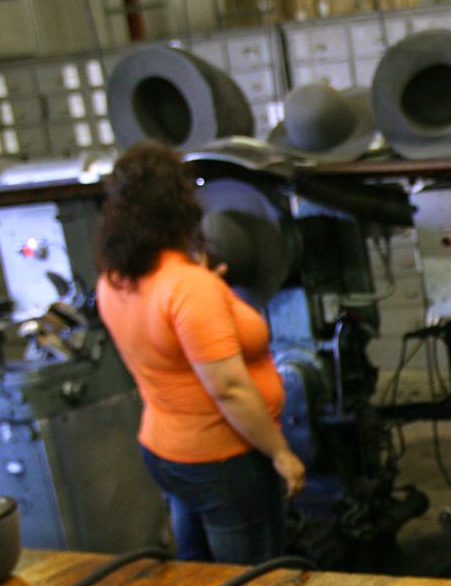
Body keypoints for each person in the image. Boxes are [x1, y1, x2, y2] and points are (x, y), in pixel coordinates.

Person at [96, 142, 305, 564]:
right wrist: (281, 453)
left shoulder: (115, 280)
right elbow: (229, 389)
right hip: (223, 463)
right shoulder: (190, 289)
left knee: (195, 579)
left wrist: (202, 287)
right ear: (180, 209)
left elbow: (167, 342)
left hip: (167, 453)